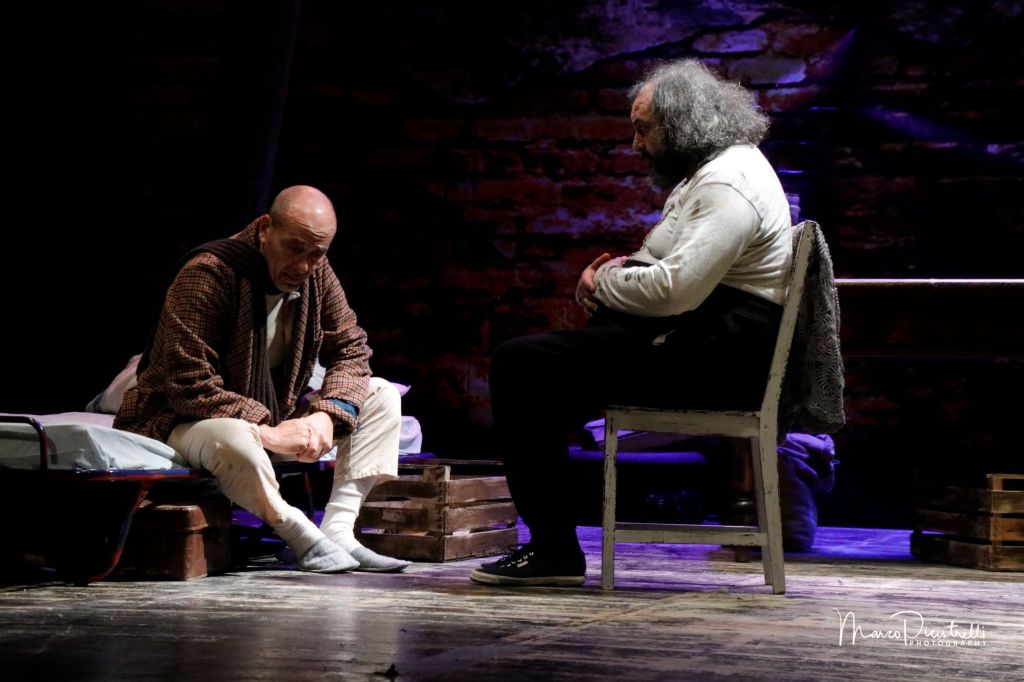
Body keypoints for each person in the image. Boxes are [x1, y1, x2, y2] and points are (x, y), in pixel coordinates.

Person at [470, 59, 794, 586]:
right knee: (543, 370)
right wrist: (618, 274)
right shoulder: (713, 171)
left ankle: (553, 550)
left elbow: (674, 289)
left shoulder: (728, 184)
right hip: (698, 343)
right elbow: (670, 267)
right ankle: (553, 540)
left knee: (521, 366)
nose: (636, 143)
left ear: (681, 124)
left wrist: (604, 285)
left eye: (644, 129)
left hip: (716, 363)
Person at [115, 185, 410, 574]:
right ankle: (297, 532)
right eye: (294, 248)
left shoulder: (317, 273)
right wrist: (267, 431)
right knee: (233, 436)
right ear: (266, 229)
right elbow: (188, 385)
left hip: (275, 415)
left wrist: (327, 415)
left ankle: (338, 530)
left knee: (381, 395)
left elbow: (351, 350)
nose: (303, 266)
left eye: (316, 254)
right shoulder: (209, 273)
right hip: (182, 419)